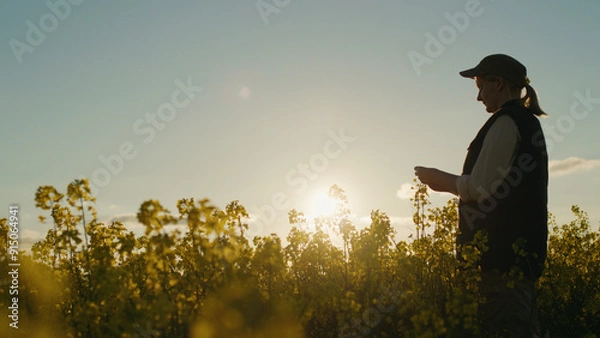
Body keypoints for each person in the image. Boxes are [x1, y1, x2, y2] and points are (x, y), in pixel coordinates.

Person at [414, 54, 548, 337]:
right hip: (515, 260)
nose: (478, 97)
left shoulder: (507, 122)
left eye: (480, 86)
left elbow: (479, 188)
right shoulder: (524, 122)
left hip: (500, 262)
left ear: (497, 83)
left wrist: (440, 179)